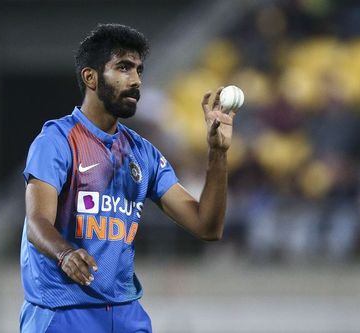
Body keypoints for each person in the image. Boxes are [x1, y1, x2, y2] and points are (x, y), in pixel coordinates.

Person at [19, 23, 236, 333]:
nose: (135, 80)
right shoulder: (57, 140)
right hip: (62, 311)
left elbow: (207, 226)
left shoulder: (142, 153)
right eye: (123, 67)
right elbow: (37, 223)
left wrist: (217, 153)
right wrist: (65, 253)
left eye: (138, 70)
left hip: (124, 314)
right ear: (90, 77)